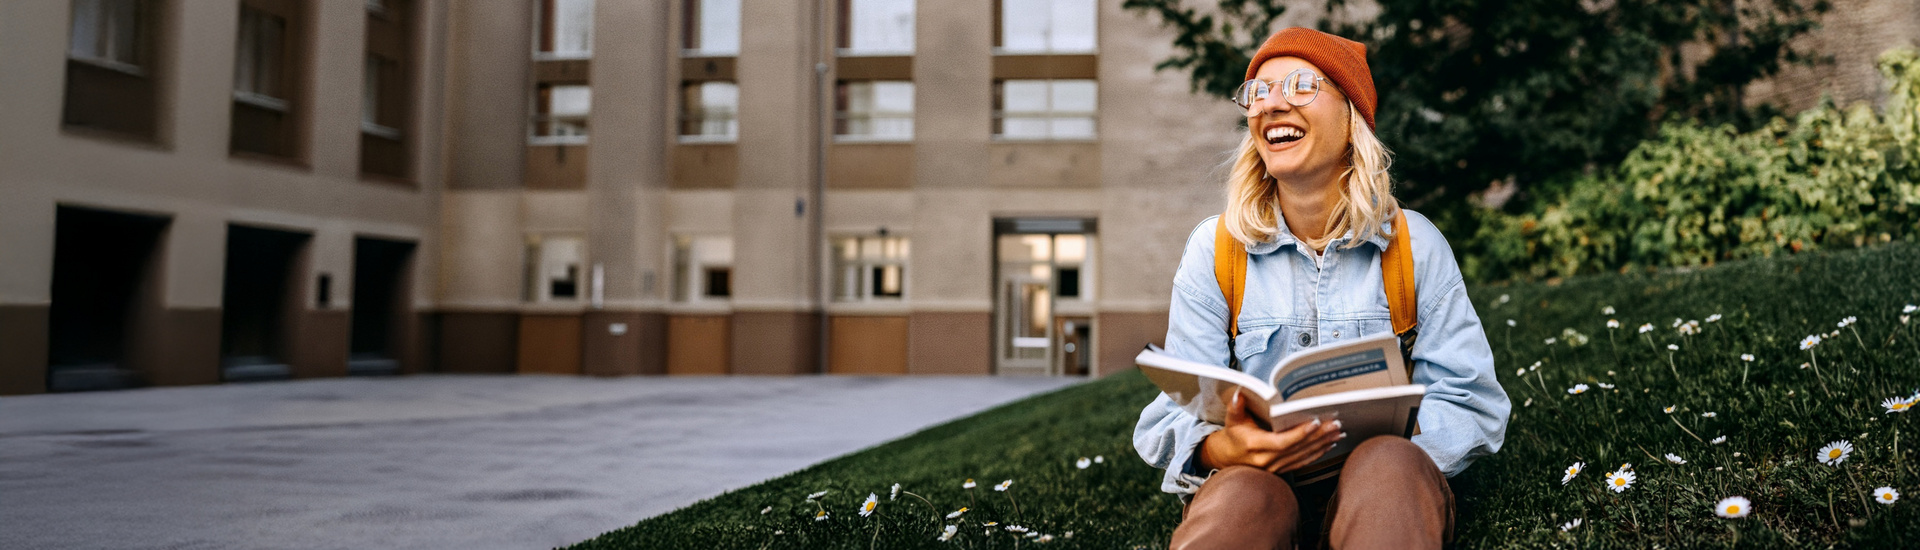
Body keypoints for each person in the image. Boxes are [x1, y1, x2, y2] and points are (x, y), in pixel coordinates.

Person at [1132, 27, 1509, 550]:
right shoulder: (1215, 249)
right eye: (1258, 93)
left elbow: (1471, 402)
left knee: (1387, 467)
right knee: (1244, 496)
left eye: (1301, 85)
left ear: (1351, 113)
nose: (1272, 105)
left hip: (1384, 488)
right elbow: (1173, 415)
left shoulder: (1413, 244)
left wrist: (1384, 440)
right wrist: (1223, 450)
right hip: (1260, 483)